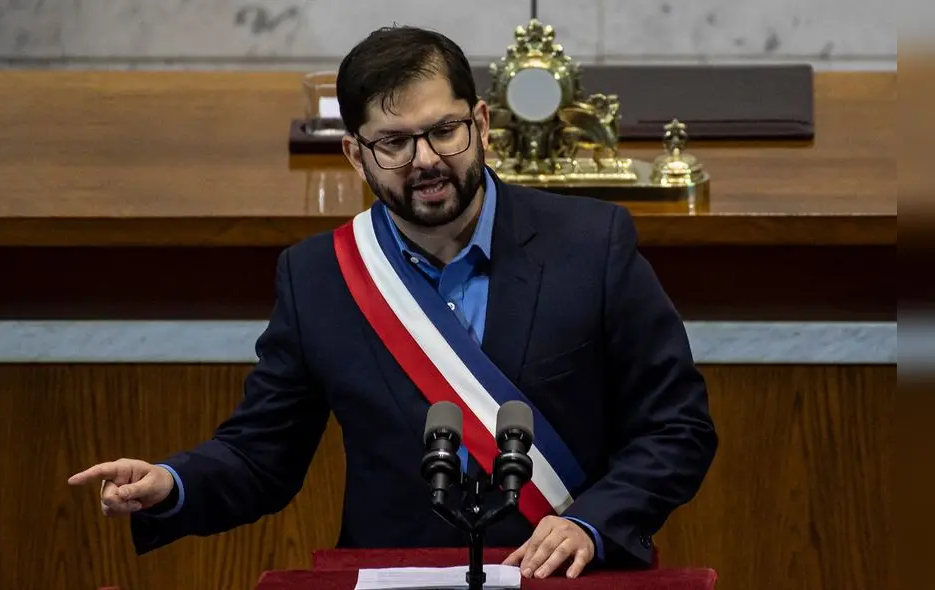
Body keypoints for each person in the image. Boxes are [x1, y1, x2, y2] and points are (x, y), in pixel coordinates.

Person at [68, 25, 718, 580]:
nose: (427, 159)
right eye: (395, 142)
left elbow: (677, 427)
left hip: (567, 577)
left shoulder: (591, 243)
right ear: (356, 153)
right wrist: (169, 484)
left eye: (445, 131)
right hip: (397, 578)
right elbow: (260, 456)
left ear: (482, 123)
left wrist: (591, 523)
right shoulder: (319, 276)